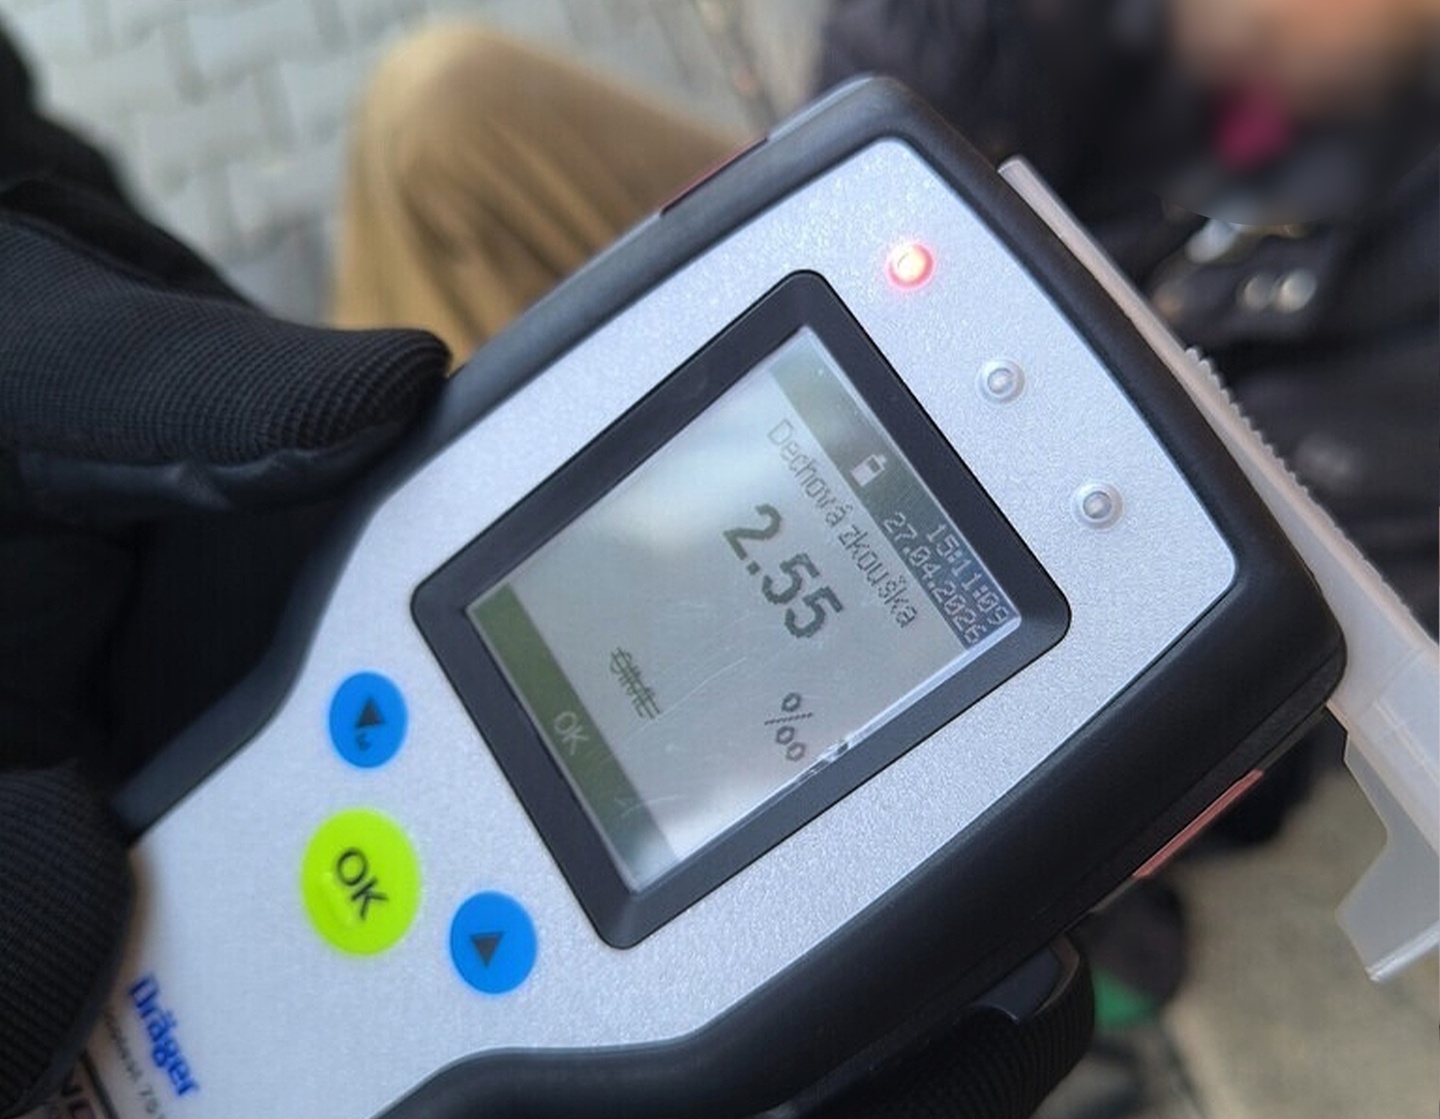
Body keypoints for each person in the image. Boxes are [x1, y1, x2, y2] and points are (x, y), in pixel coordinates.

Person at [1, 1, 1435, 1115]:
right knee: (446, 108)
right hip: (887, 305)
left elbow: (1300, 689)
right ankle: (449, 491)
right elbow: (884, 112)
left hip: (1152, 610)